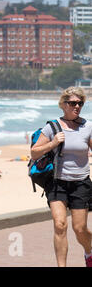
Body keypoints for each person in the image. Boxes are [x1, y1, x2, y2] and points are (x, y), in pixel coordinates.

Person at [31, 86, 92, 267]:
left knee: (79, 229)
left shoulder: (87, 126)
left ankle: (89, 252)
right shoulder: (52, 127)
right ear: (63, 104)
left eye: (80, 103)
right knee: (60, 225)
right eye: (73, 103)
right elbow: (34, 153)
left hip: (81, 184)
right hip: (57, 183)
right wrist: (53, 143)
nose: (77, 106)